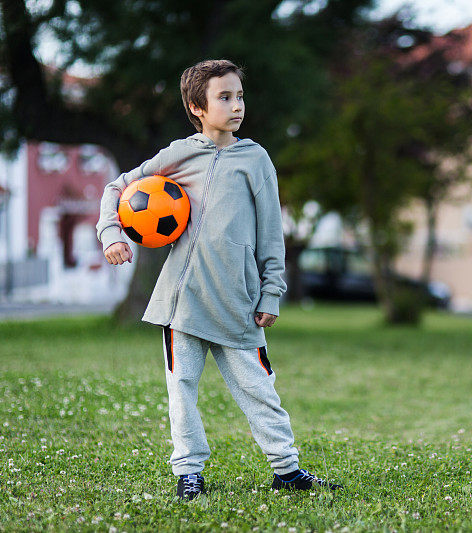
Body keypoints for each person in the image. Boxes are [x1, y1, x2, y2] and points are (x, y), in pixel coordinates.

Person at [96, 59, 341, 500]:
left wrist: (271, 292)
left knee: (259, 388)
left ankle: (287, 471)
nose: (236, 105)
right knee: (181, 391)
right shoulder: (178, 155)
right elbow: (118, 188)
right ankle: (189, 473)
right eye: (224, 97)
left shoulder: (256, 160)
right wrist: (111, 232)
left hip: (238, 303)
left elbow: (271, 234)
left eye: (239, 96)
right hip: (182, 302)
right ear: (197, 107)